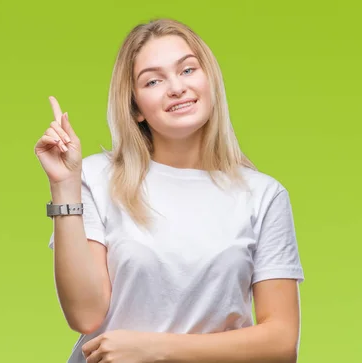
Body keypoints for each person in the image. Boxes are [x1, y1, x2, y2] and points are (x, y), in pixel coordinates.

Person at [34, 18, 304, 363]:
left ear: (210, 81)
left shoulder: (263, 195)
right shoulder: (94, 176)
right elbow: (85, 316)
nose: (176, 88)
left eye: (188, 70)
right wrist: (64, 186)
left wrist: (154, 349)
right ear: (136, 108)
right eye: (153, 80)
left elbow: (281, 343)